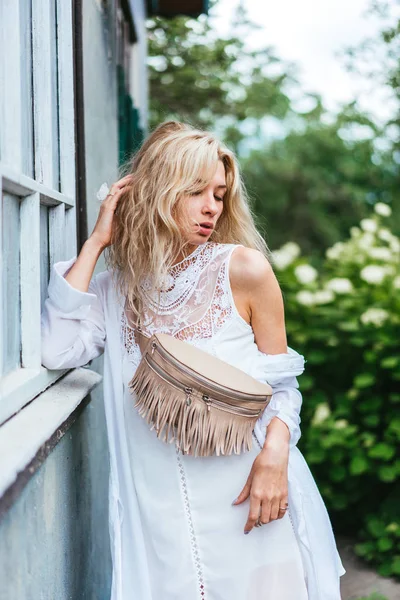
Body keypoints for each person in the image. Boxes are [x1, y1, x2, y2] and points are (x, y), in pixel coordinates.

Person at [41, 121, 345, 600]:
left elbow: (282, 381)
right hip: (156, 519)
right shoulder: (117, 290)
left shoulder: (242, 269)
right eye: (194, 191)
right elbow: (56, 349)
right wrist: (97, 242)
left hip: (248, 495)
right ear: (159, 192)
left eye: (219, 195)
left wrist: (275, 457)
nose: (210, 207)